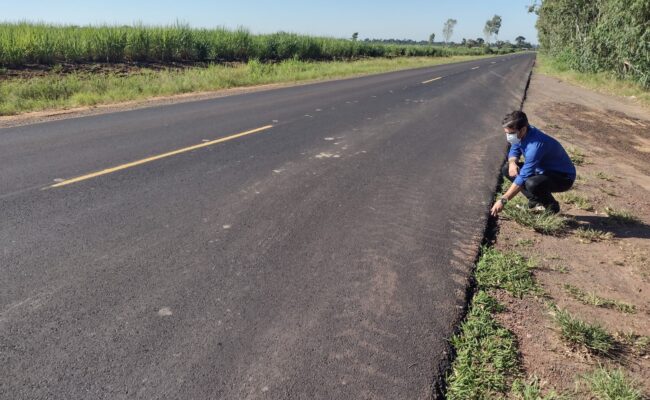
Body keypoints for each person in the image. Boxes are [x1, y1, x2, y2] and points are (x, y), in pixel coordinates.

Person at [490, 110, 576, 217]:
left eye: (511, 133)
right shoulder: (524, 133)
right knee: (507, 168)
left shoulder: (536, 146)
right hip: (543, 171)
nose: (508, 136)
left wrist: (503, 200)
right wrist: (512, 163)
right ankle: (535, 202)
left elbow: (523, 176)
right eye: (507, 133)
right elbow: (515, 148)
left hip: (563, 177)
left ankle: (553, 208)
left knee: (532, 183)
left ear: (523, 129)